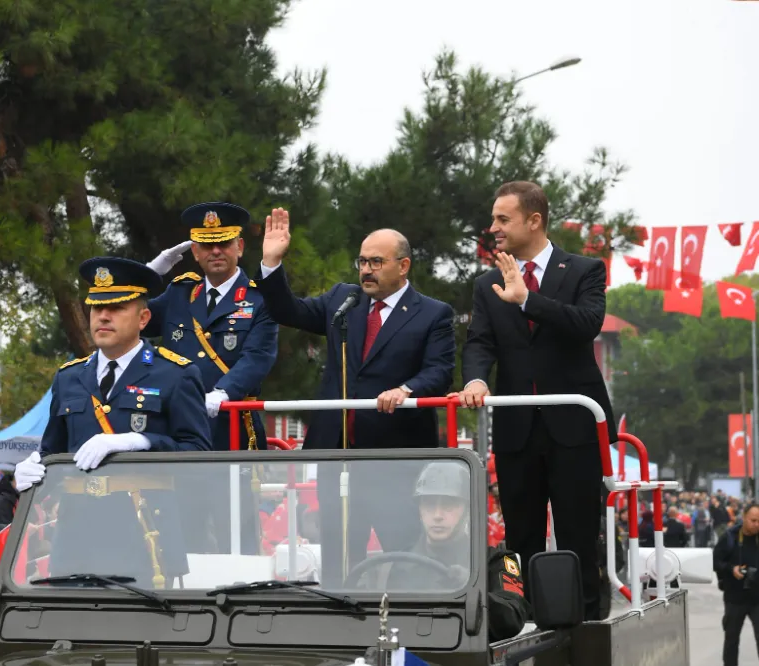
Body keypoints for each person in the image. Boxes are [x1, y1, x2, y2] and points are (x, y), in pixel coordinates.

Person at [256, 208, 456, 583]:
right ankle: (340, 624)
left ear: (404, 265)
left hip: (393, 457)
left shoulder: (433, 314)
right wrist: (271, 262)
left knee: (401, 551)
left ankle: (407, 627)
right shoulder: (342, 302)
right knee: (339, 552)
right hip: (337, 453)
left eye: (376, 262)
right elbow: (288, 310)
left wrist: (405, 389)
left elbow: (440, 371)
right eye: (362, 261)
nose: (366, 270)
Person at [454, 181, 616, 621]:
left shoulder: (584, 269)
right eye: (494, 219)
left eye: (503, 219)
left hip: (575, 427)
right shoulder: (487, 283)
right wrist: (475, 380)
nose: (493, 229)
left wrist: (527, 300)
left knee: (578, 533)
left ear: (534, 221)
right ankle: (521, 620)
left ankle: (581, 625)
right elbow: (479, 343)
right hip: (516, 427)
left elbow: (587, 324)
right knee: (520, 533)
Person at [14, 257, 211, 586]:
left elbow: (199, 454)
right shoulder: (70, 377)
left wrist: (141, 441)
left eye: (118, 307)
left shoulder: (175, 373)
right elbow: (53, 450)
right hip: (76, 532)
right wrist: (31, 470)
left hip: (142, 531)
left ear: (144, 317)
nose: (103, 316)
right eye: (96, 308)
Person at [144, 202, 278, 554]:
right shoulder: (178, 293)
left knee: (237, 534)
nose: (215, 251)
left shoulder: (259, 298)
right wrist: (148, 274)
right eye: (206, 244)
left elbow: (258, 356)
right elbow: (130, 316)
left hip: (232, 430)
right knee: (181, 533)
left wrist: (224, 391)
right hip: (181, 432)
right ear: (195, 251)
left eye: (224, 242)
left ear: (240, 247)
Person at [385, 461, 529, 642]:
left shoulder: (497, 561)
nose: (437, 515)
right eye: (429, 505)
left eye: (449, 505)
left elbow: (513, 618)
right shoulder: (403, 563)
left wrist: (472, 591)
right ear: (420, 509)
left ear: (467, 509)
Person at [715, 503, 759, 666]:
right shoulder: (730, 537)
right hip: (734, 598)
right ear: (744, 518)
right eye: (753, 520)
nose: (757, 525)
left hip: (757, 598)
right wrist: (731, 569)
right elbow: (715, 562)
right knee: (731, 641)